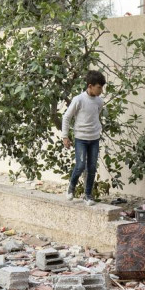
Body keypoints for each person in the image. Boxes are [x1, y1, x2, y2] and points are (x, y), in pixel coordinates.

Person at [61, 70, 106, 204]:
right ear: (90, 86)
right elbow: (66, 117)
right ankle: (71, 188)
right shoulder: (78, 99)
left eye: (102, 87)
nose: (101, 90)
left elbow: (96, 116)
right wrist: (65, 136)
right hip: (81, 138)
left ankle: (88, 195)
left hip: (94, 139)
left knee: (92, 167)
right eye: (99, 87)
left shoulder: (99, 102)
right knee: (80, 165)